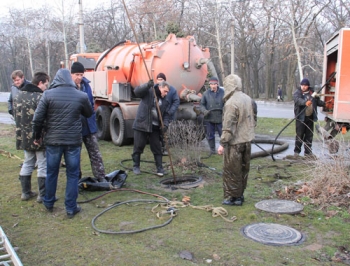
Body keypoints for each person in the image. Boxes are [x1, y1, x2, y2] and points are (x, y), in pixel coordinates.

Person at [32, 68, 93, 218]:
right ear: (70, 79)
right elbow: (89, 113)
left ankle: (49, 202)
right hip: (73, 141)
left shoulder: (47, 94)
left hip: (53, 141)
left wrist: (36, 136)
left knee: (51, 172)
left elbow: (37, 119)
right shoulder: (81, 95)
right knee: (72, 174)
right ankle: (71, 207)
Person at [218, 74, 256, 206]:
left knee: (232, 170)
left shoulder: (231, 103)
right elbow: (254, 118)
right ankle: (240, 194)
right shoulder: (248, 98)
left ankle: (234, 198)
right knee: (243, 169)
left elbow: (228, 126)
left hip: (235, 143)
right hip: (247, 140)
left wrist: (223, 143)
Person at [14, 72, 50, 202]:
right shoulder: (40, 97)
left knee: (28, 162)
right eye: (46, 84)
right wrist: (40, 135)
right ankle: (42, 195)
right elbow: (43, 119)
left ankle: (25, 192)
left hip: (23, 136)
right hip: (38, 136)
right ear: (40, 83)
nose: (46, 87)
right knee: (42, 164)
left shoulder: (18, 95)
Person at [70, 62, 107, 182]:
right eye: (76, 74)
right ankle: (76, 179)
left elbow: (91, 104)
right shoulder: (67, 87)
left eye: (81, 74)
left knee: (95, 153)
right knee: (75, 155)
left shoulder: (86, 85)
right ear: (71, 74)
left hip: (89, 126)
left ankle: (101, 177)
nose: (79, 77)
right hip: (75, 127)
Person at [131, 80, 170, 176]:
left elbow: (166, 115)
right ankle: (136, 166)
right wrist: (147, 85)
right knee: (138, 146)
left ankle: (160, 169)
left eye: (167, 92)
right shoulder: (148, 91)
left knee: (157, 148)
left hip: (155, 127)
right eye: (165, 91)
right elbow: (136, 92)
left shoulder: (165, 101)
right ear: (160, 87)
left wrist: (165, 124)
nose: (166, 93)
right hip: (142, 124)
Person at [293, 78, 325, 158]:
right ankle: (296, 152)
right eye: (302, 85)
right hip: (300, 118)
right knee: (299, 135)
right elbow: (297, 100)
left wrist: (325, 104)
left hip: (310, 118)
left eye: (305, 85)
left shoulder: (313, 94)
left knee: (309, 136)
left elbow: (317, 102)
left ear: (308, 86)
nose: (303, 87)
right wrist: (305, 102)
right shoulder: (297, 93)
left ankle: (308, 152)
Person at [155, 73, 180, 154]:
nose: (159, 81)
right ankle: (159, 148)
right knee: (158, 132)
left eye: (161, 79)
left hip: (168, 115)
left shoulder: (172, 90)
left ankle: (165, 148)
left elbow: (176, 101)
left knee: (166, 133)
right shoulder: (155, 89)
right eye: (158, 79)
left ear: (165, 80)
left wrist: (170, 111)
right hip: (158, 115)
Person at [200, 76, 224, 154]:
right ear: (209, 84)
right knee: (210, 135)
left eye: (214, 84)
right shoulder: (206, 94)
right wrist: (204, 111)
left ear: (217, 84)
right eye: (211, 84)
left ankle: (224, 149)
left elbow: (227, 103)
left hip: (220, 117)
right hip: (209, 117)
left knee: (223, 135)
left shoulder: (223, 93)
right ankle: (212, 150)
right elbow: (202, 105)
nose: (213, 86)